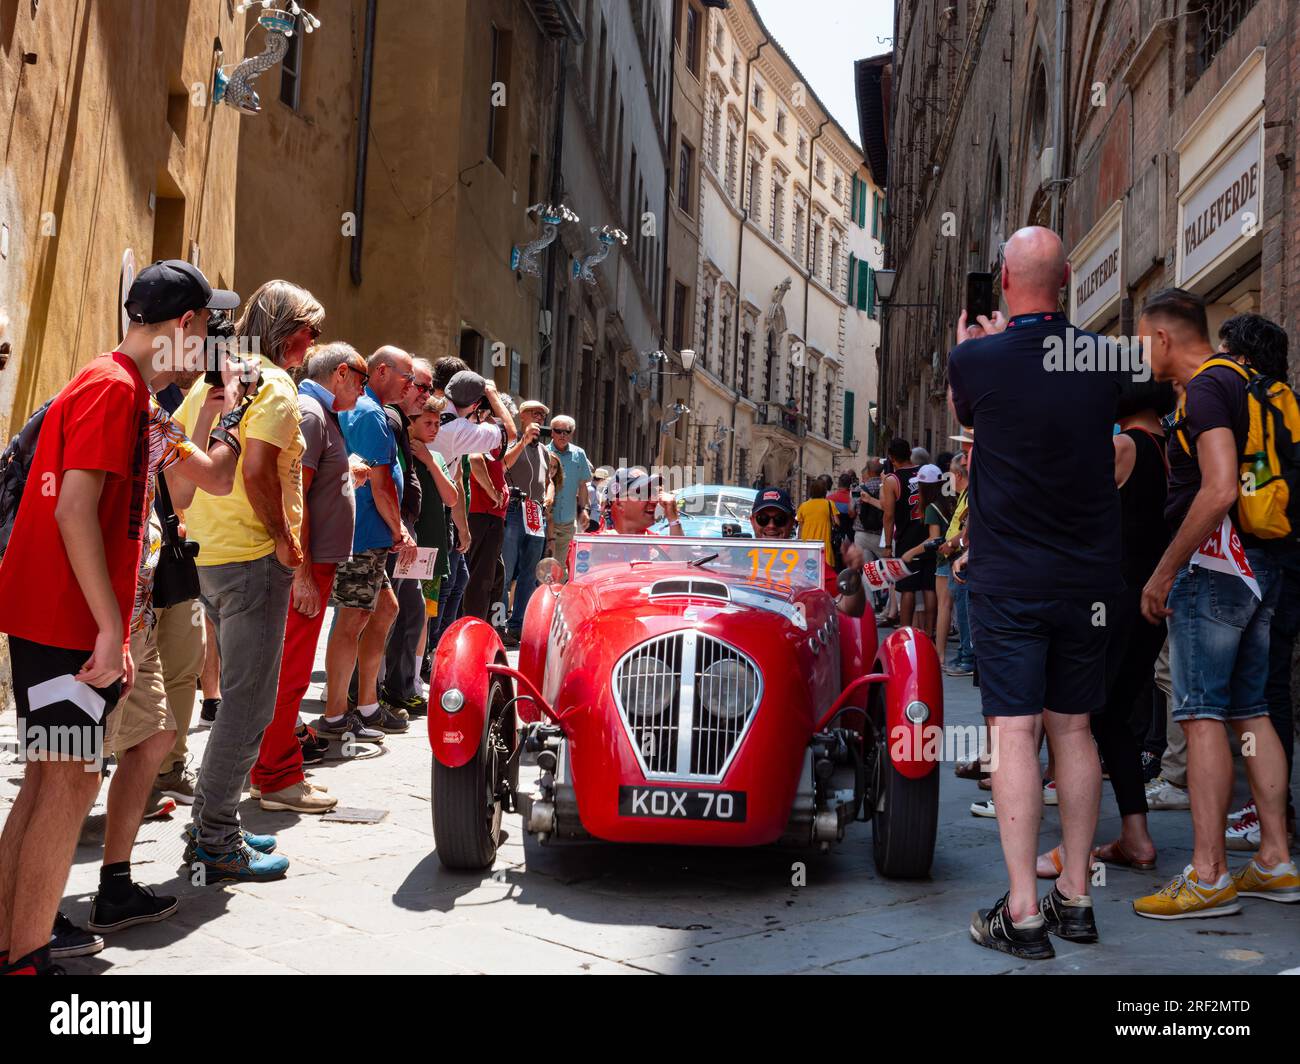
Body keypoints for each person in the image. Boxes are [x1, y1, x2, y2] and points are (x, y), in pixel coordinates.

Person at [0, 259, 238, 974]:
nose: (203, 354)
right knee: (68, 781)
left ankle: (13, 943)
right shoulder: (115, 389)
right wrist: (110, 627)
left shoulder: (113, 382)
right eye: (203, 336)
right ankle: (29, 957)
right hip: (68, 624)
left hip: (56, 617)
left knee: (51, 778)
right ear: (185, 327)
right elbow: (75, 508)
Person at [948, 225, 1124, 960]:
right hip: (1088, 579)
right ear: (1072, 276)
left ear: (1004, 277)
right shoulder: (1106, 360)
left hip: (1010, 579)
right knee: (1074, 730)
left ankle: (1023, 911)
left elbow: (971, 419)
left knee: (1014, 733)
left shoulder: (974, 359)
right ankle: (1076, 899)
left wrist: (975, 340)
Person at [1135, 290, 1297, 916]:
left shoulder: (1206, 388)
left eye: (1142, 341)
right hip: (1260, 570)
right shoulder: (1255, 382)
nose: (1140, 355)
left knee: (1200, 713)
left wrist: (1163, 572)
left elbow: (1221, 486)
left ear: (1165, 339)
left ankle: (1207, 875)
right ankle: (1276, 858)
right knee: (1251, 713)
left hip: (1214, 570)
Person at [172, 278, 320, 882]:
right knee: (250, 704)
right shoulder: (277, 385)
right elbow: (256, 470)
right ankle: (214, 837)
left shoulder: (223, 373)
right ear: (290, 333)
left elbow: (183, 454)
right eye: (312, 333)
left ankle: (213, 817)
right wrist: (286, 544)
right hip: (252, 558)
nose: (314, 347)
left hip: (210, 550)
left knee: (238, 698)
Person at [1034, 376, 1174, 881]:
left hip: (1111, 601)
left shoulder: (1123, 445)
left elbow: (1070, 510)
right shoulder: (1169, 450)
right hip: (1149, 603)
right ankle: (1135, 838)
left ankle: (1075, 850)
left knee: (1074, 720)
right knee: (1113, 718)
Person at [252, 344, 370, 813]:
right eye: (360, 380)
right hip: (305, 567)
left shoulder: (319, 413)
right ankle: (277, 776)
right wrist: (300, 573)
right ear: (341, 373)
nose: (362, 390)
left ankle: (270, 768)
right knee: (291, 673)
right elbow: (291, 492)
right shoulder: (313, 413)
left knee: (289, 672)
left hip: (313, 564)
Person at [1216, 313, 1298, 844]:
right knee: (1269, 687)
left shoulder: (1256, 399)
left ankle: (1270, 812)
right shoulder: (1287, 398)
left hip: (1264, 553)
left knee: (1256, 691)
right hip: (1291, 553)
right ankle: (1274, 810)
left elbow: (1248, 481)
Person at [321, 346, 417, 741]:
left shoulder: (363, 410)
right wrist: (399, 531)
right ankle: (335, 715)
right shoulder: (371, 413)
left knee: (383, 610)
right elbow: (380, 486)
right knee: (352, 620)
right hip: (362, 535)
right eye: (408, 379)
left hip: (364, 534)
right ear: (381, 372)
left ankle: (367, 704)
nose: (412, 387)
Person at [378, 357, 434, 716]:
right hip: (392, 529)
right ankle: (370, 693)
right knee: (387, 612)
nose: (426, 395)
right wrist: (398, 526)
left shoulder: (395, 418)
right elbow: (381, 477)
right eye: (421, 386)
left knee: (411, 609)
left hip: (403, 527)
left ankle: (397, 687)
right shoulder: (388, 416)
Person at [751, 487, 867, 615]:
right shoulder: (733, 559)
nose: (771, 525)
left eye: (780, 519)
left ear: (791, 522)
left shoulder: (809, 562)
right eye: (763, 518)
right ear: (752, 521)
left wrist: (852, 573)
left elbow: (850, 608)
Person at [500, 399, 553, 645]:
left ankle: (518, 625)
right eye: (534, 413)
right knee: (506, 569)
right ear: (522, 416)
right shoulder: (511, 441)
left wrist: (549, 495)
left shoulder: (544, 451)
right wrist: (523, 442)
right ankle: (498, 623)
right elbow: (502, 466)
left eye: (542, 415)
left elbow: (549, 479)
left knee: (530, 574)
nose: (539, 417)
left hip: (535, 513)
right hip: (513, 509)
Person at [464, 395, 511, 622]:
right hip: (482, 512)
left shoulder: (490, 433)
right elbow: (474, 459)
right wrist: (493, 492)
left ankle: (477, 623)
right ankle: (472, 625)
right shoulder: (482, 429)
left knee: (488, 576)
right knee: (480, 576)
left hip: (490, 514)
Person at [896, 463, 947, 639]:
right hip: (937, 554)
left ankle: (912, 634)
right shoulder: (946, 501)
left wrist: (911, 551)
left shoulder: (929, 506)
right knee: (929, 589)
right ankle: (929, 633)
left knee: (914, 590)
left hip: (922, 547)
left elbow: (933, 537)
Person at [938, 453, 974, 675]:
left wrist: (953, 543)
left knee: (964, 610)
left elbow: (969, 528)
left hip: (962, 557)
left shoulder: (970, 496)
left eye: (950, 475)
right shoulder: (963, 496)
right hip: (956, 556)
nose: (948, 480)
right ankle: (963, 652)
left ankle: (967, 657)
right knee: (960, 609)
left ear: (958, 475)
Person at [546, 415, 592, 564]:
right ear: (552, 432)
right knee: (541, 564)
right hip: (545, 521)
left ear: (572, 433)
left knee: (558, 565)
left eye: (567, 431)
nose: (562, 435)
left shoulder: (579, 454)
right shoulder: (543, 452)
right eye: (558, 431)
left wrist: (584, 509)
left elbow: (582, 485)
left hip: (566, 522)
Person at [795, 477, 837, 565]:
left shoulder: (803, 506)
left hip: (807, 547)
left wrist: (799, 545)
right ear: (824, 491)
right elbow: (836, 523)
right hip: (824, 547)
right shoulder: (829, 504)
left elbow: (800, 529)